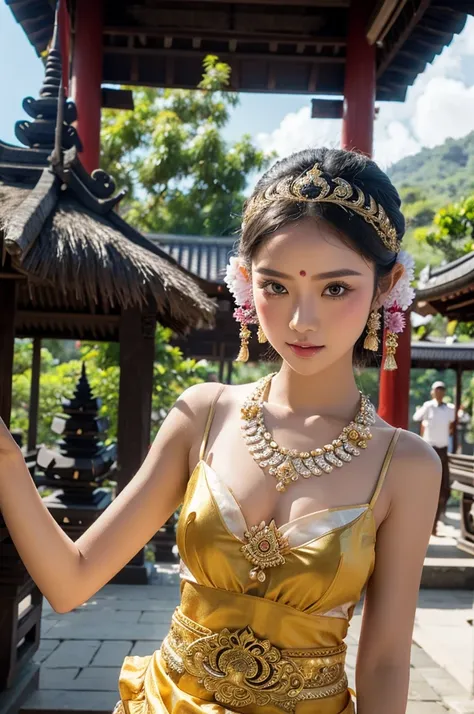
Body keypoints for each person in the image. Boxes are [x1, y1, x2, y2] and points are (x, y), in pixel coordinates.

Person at [0, 148, 442, 714]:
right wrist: (9, 461)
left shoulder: (405, 466)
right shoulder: (202, 415)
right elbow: (71, 582)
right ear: (243, 281)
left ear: (387, 285)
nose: (302, 320)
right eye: (276, 286)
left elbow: (383, 662)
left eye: (336, 289)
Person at [413, 381, 455, 535]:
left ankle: (434, 524)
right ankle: (422, 523)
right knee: (425, 487)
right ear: (432, 392)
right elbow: (416, 417)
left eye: (442, 389)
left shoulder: (449, 409)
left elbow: (453, 425)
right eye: (437, 389)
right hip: (429, 450)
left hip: (443, 451)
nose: (440, 392)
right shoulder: (428, 406)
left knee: (443, 489)